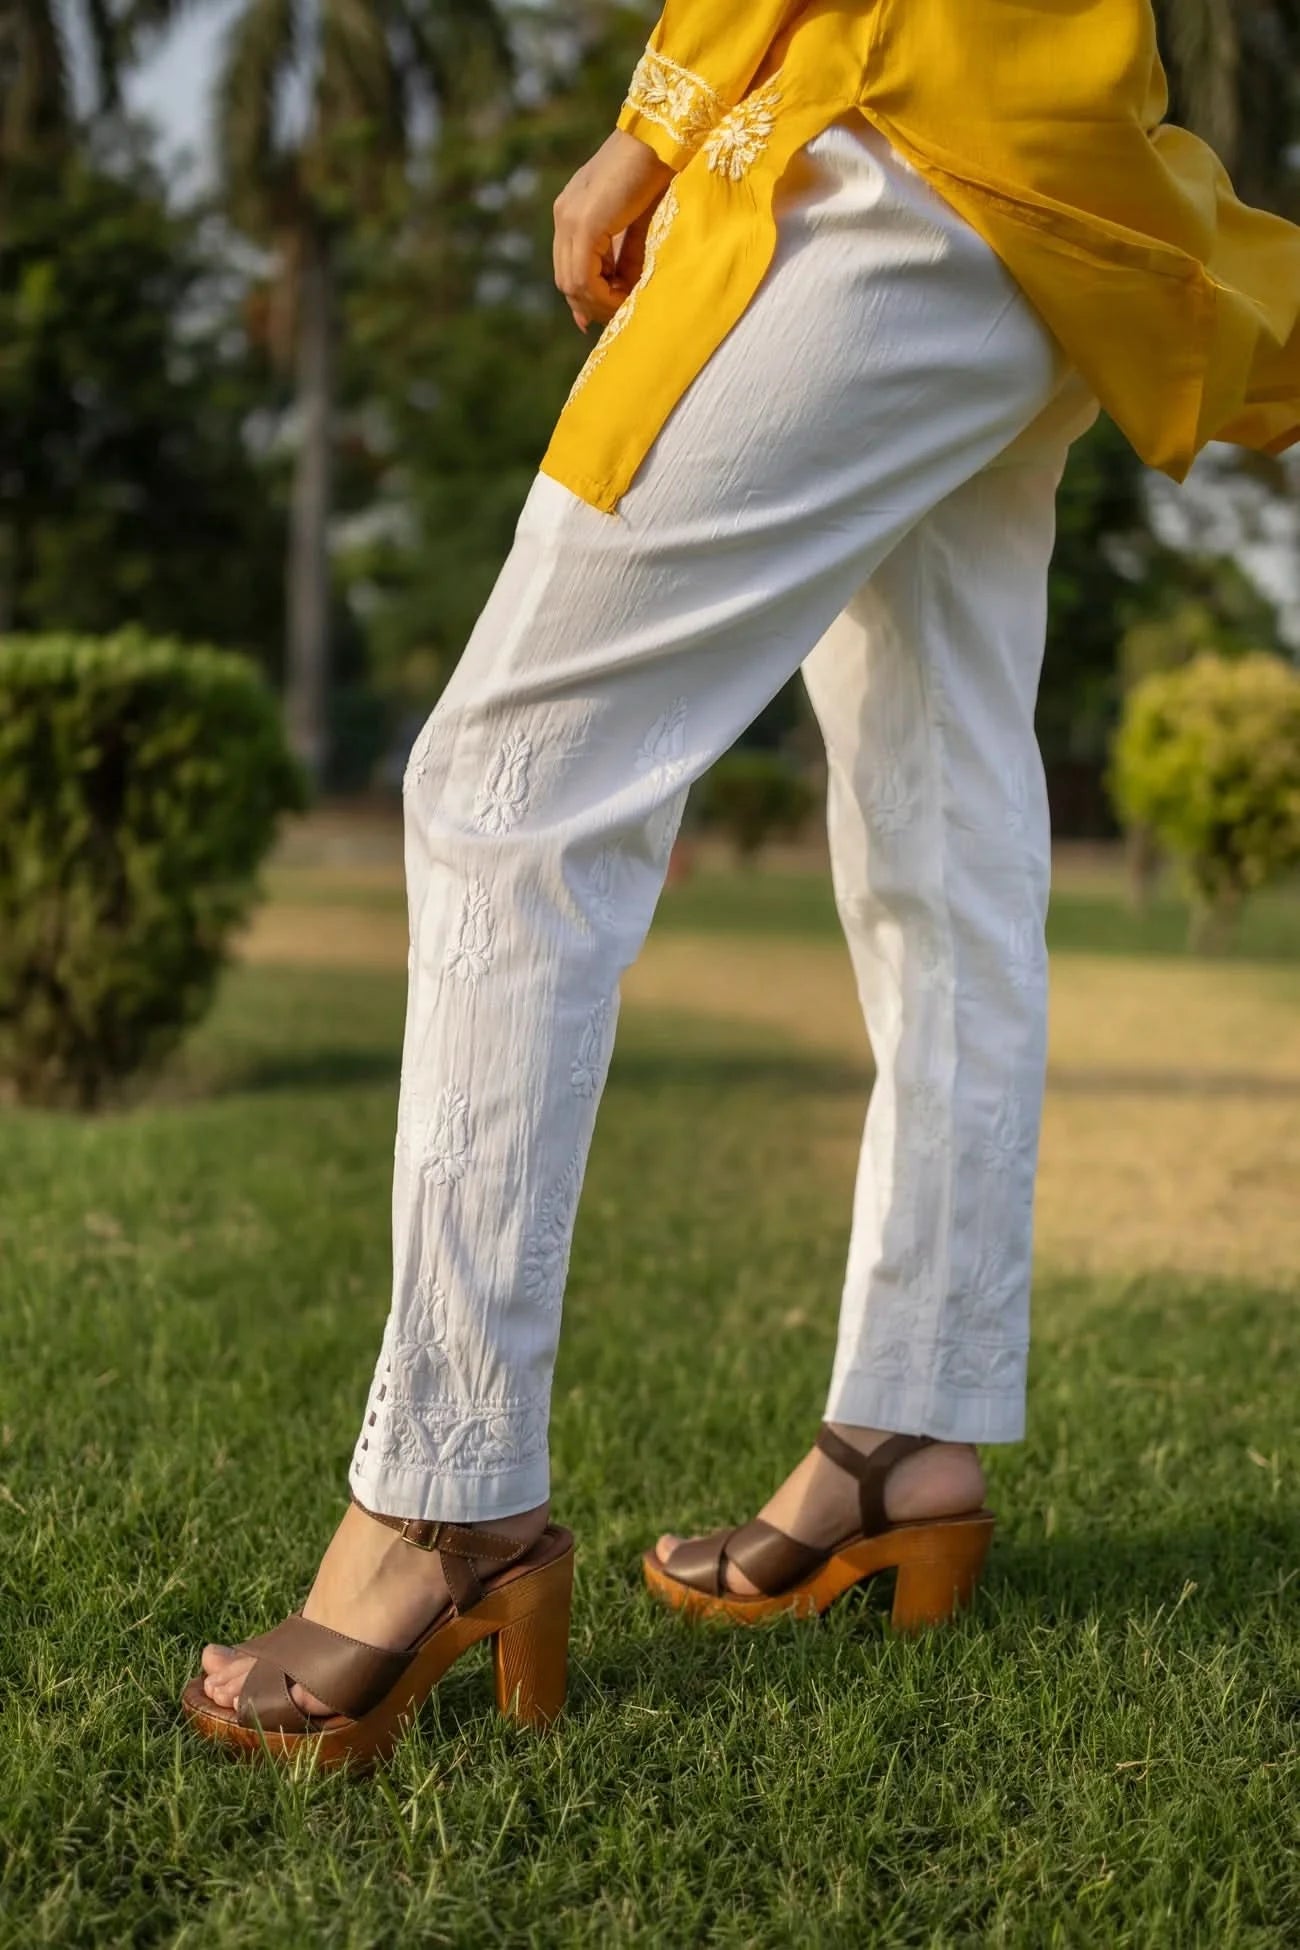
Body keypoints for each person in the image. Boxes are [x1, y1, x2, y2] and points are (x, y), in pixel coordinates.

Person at [184, 0, 1300, 1766]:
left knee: (509, 788)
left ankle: (446, 1502)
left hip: (888, 150)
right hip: (1041, 186)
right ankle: (906, 1439)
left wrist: (656, 117)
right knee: (946, 837)